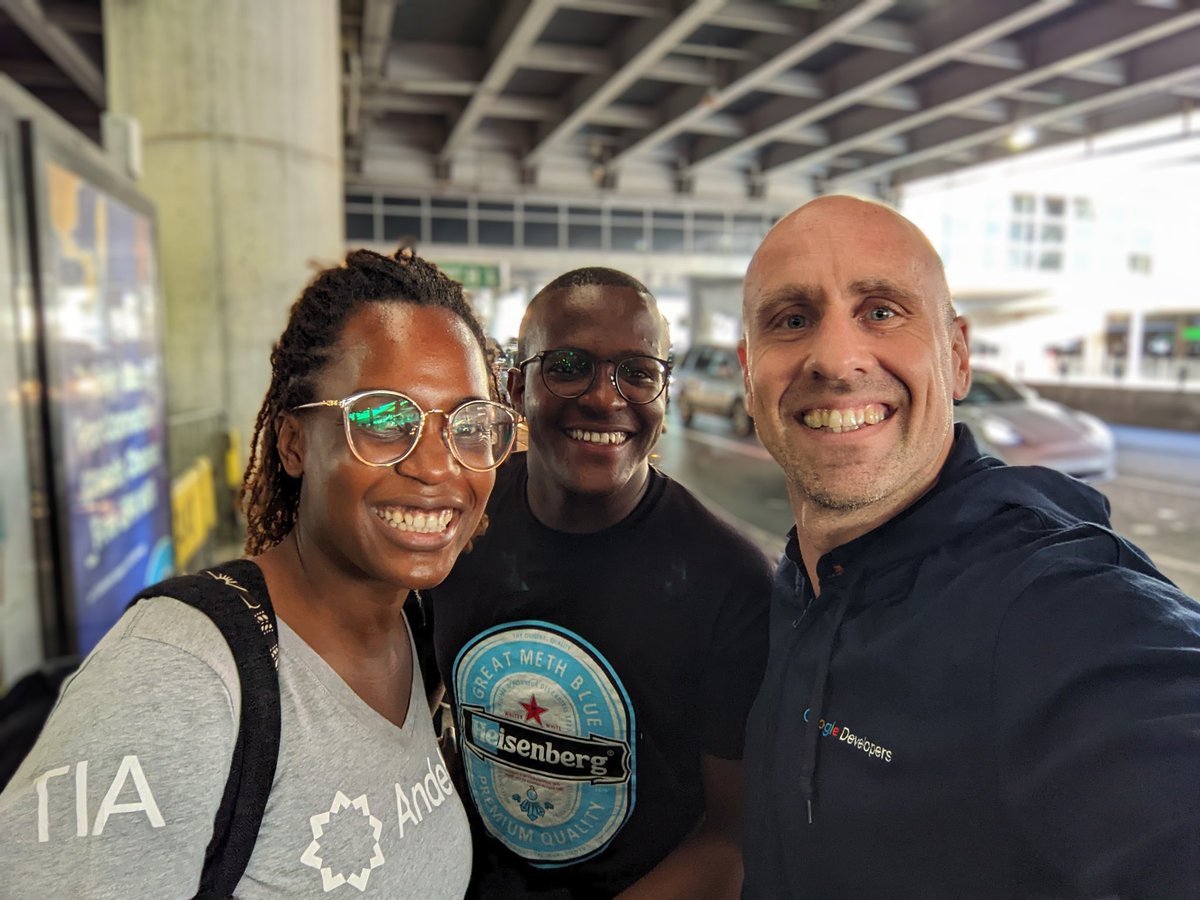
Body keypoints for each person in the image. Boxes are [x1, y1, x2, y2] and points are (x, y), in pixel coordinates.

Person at [0, 247, 519, 897]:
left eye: (469, 424)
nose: (438, 467)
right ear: (293, 442)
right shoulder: (178, 676)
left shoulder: (414, 633)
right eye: (385, 420)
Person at [737, 195, 1200, 897]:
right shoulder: (800, 580)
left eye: (882, 311)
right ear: (748, 372)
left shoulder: (1054, 609)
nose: (835, 358)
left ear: (956, 357)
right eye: (793, 320)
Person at [426, 267, 772, 898]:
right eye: (568, 364)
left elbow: (733, 834)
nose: (606, 399)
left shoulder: (731, 581)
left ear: (665, 392)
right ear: (514, 385)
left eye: (638, 373)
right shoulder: (458, 519)